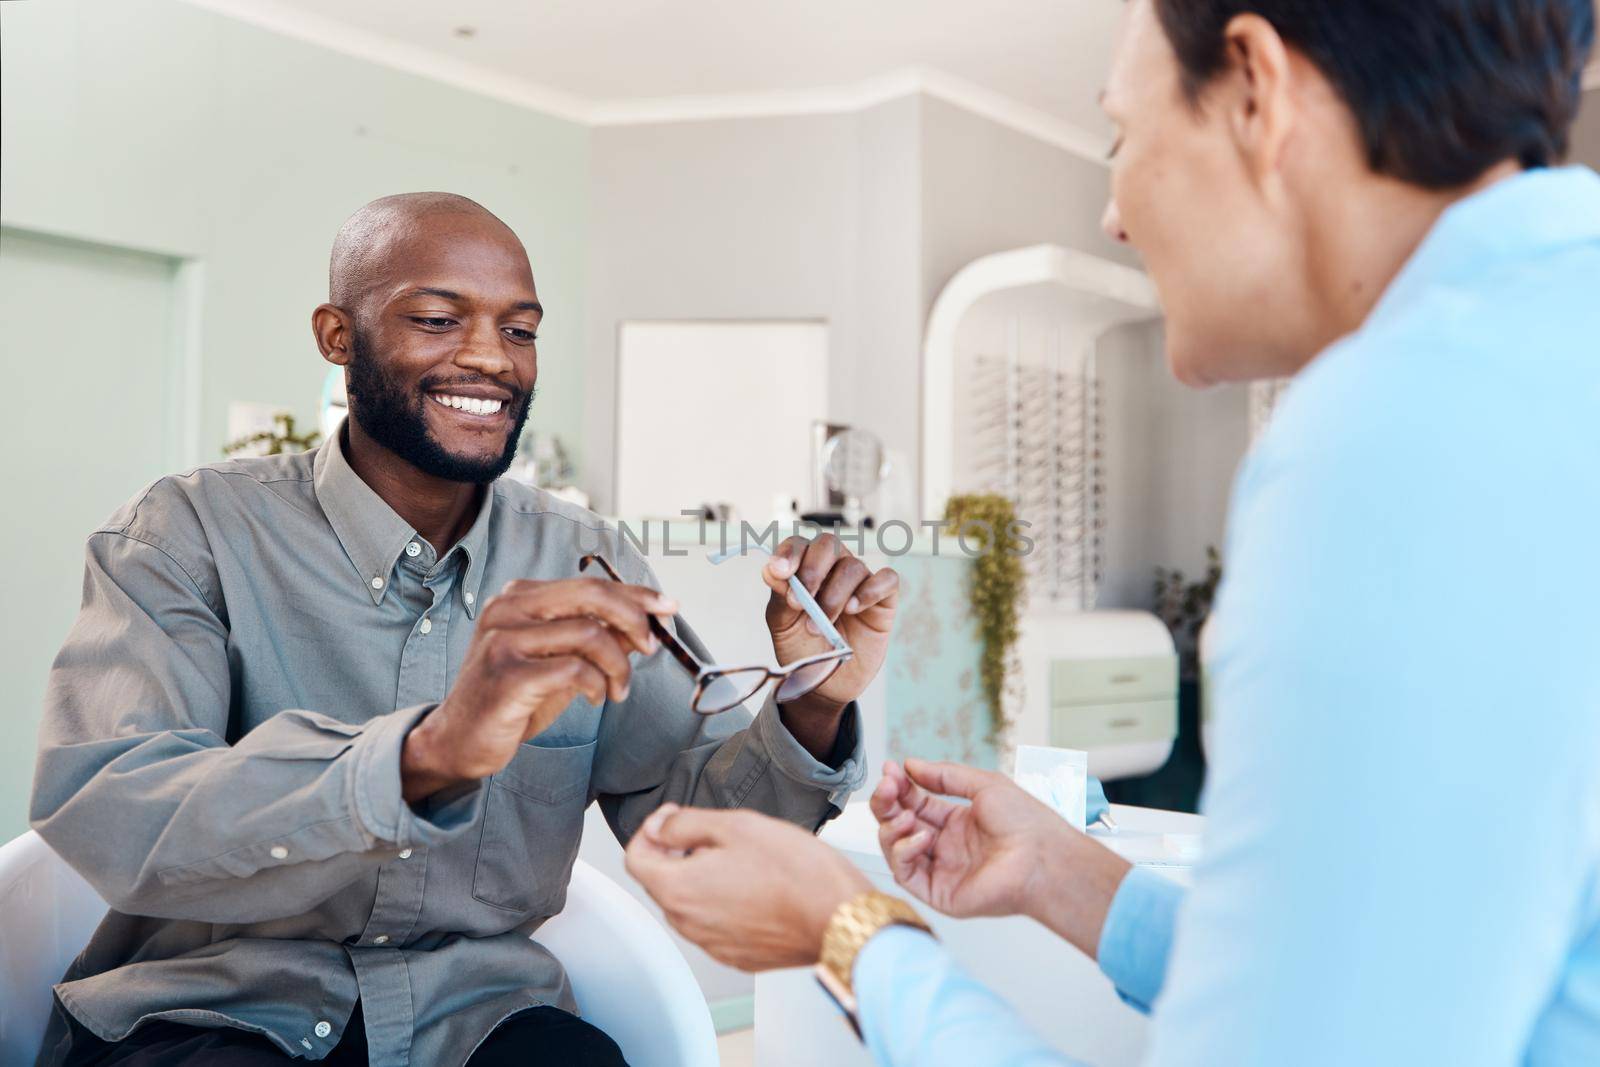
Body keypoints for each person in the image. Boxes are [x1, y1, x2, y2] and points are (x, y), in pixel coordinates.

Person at [623, 1, 1600, 1063]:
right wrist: (1057, 870)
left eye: (1119, 138)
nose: (1113, 214)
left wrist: (850, 931)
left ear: (1254, 88)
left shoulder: (1392, 433)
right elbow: (1372, 981)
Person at [29, 191, 901, 1066]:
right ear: (338, 337)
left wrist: (813, 704)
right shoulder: (188, 534)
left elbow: (704, 834)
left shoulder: (588, 559)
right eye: (440, 319)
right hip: (216, 1013)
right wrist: (428, 754)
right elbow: (114, 808)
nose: (490, 357)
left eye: (520, 331)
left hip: (481, 1022)